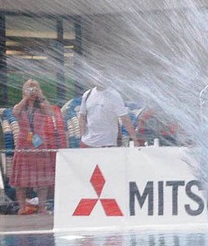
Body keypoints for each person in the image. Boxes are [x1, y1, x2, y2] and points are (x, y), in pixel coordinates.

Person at [10, 79, 67, 215]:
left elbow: (51, 113)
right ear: (24, 91)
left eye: (34, 88)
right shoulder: (21, 106)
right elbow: (15, 112)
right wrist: (25, 98)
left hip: (39, 144)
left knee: (42, 179)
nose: (32, 91)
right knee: (21, 180)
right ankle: (23, 207)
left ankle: (42, 207)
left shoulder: (41, 106)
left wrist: (41, 96)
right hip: (24, 145)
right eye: (29, 89)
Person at [78, 84, 138, 148]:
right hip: (87, 143)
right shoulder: (87, 94)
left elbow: (125, 119)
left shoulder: (114, 95)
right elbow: (82, 116)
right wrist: (82, 137)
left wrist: (135, 140)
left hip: (108, 144)